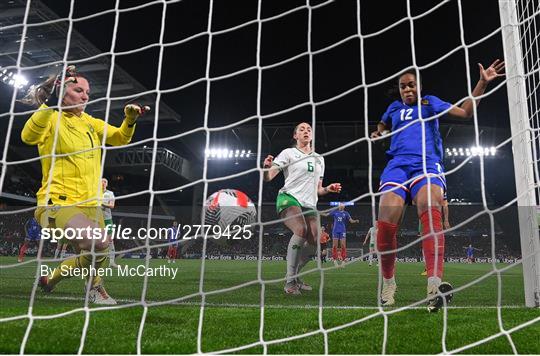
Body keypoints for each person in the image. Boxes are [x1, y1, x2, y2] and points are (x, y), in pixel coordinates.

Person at [370, 60, 504, 312]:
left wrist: (482, 83)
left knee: (429, 208)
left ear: (419, 87)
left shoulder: (431, 102)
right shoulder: (393, 108)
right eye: (403, 87)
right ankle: (388, 284)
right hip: (397, 166)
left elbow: (466, 112)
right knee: (385, 223)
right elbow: (382, 124)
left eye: (411, 85)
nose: (407, 90)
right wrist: (379, 132)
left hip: (427, 165)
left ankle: (434, 286)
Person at [20, 65, 148, 305]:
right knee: (99, 242)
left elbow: (119, 138)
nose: (85, 95)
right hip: (57, 202)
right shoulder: (51, 117)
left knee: (95, 251)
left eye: (87, 91)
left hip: (91, 203)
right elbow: (27, 137)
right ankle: (89, 288)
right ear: (62, 91)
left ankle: (57, 281)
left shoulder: (89, 121)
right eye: (78, 90)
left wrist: (130, 120)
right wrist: (50, 104)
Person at [263, 122, 342, 295]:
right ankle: (290, 281)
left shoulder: (319, 159)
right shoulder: (288, 153)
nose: (306, 131)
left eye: (309, 129)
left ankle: (296, 276)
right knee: (301, 229)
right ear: (295, 136)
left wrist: (328, 189)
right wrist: (266, 167)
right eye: (301, 129)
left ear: (312, 136)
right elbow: (268, 177)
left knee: (316, 239)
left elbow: (318, 189)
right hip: (288, 198)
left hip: (309, 203)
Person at [420, 192, 449, 275]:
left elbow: (445, 205)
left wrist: (446, 220)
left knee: (436, 245)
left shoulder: (440, 189)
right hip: (426, 220)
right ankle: (428, 268)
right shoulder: (423, 189)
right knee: (426, 245)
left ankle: (435, 268)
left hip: (435, 220)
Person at [101, 178, 117, 267]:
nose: (103, 183)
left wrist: (102, 204)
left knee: (110, 240)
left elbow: (112, 205)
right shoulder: (95, 193)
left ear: (107, 184)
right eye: (101, 181)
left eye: (105, 182)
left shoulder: (110, 193)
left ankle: (112, 262)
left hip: (107, 219)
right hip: (96, 219)